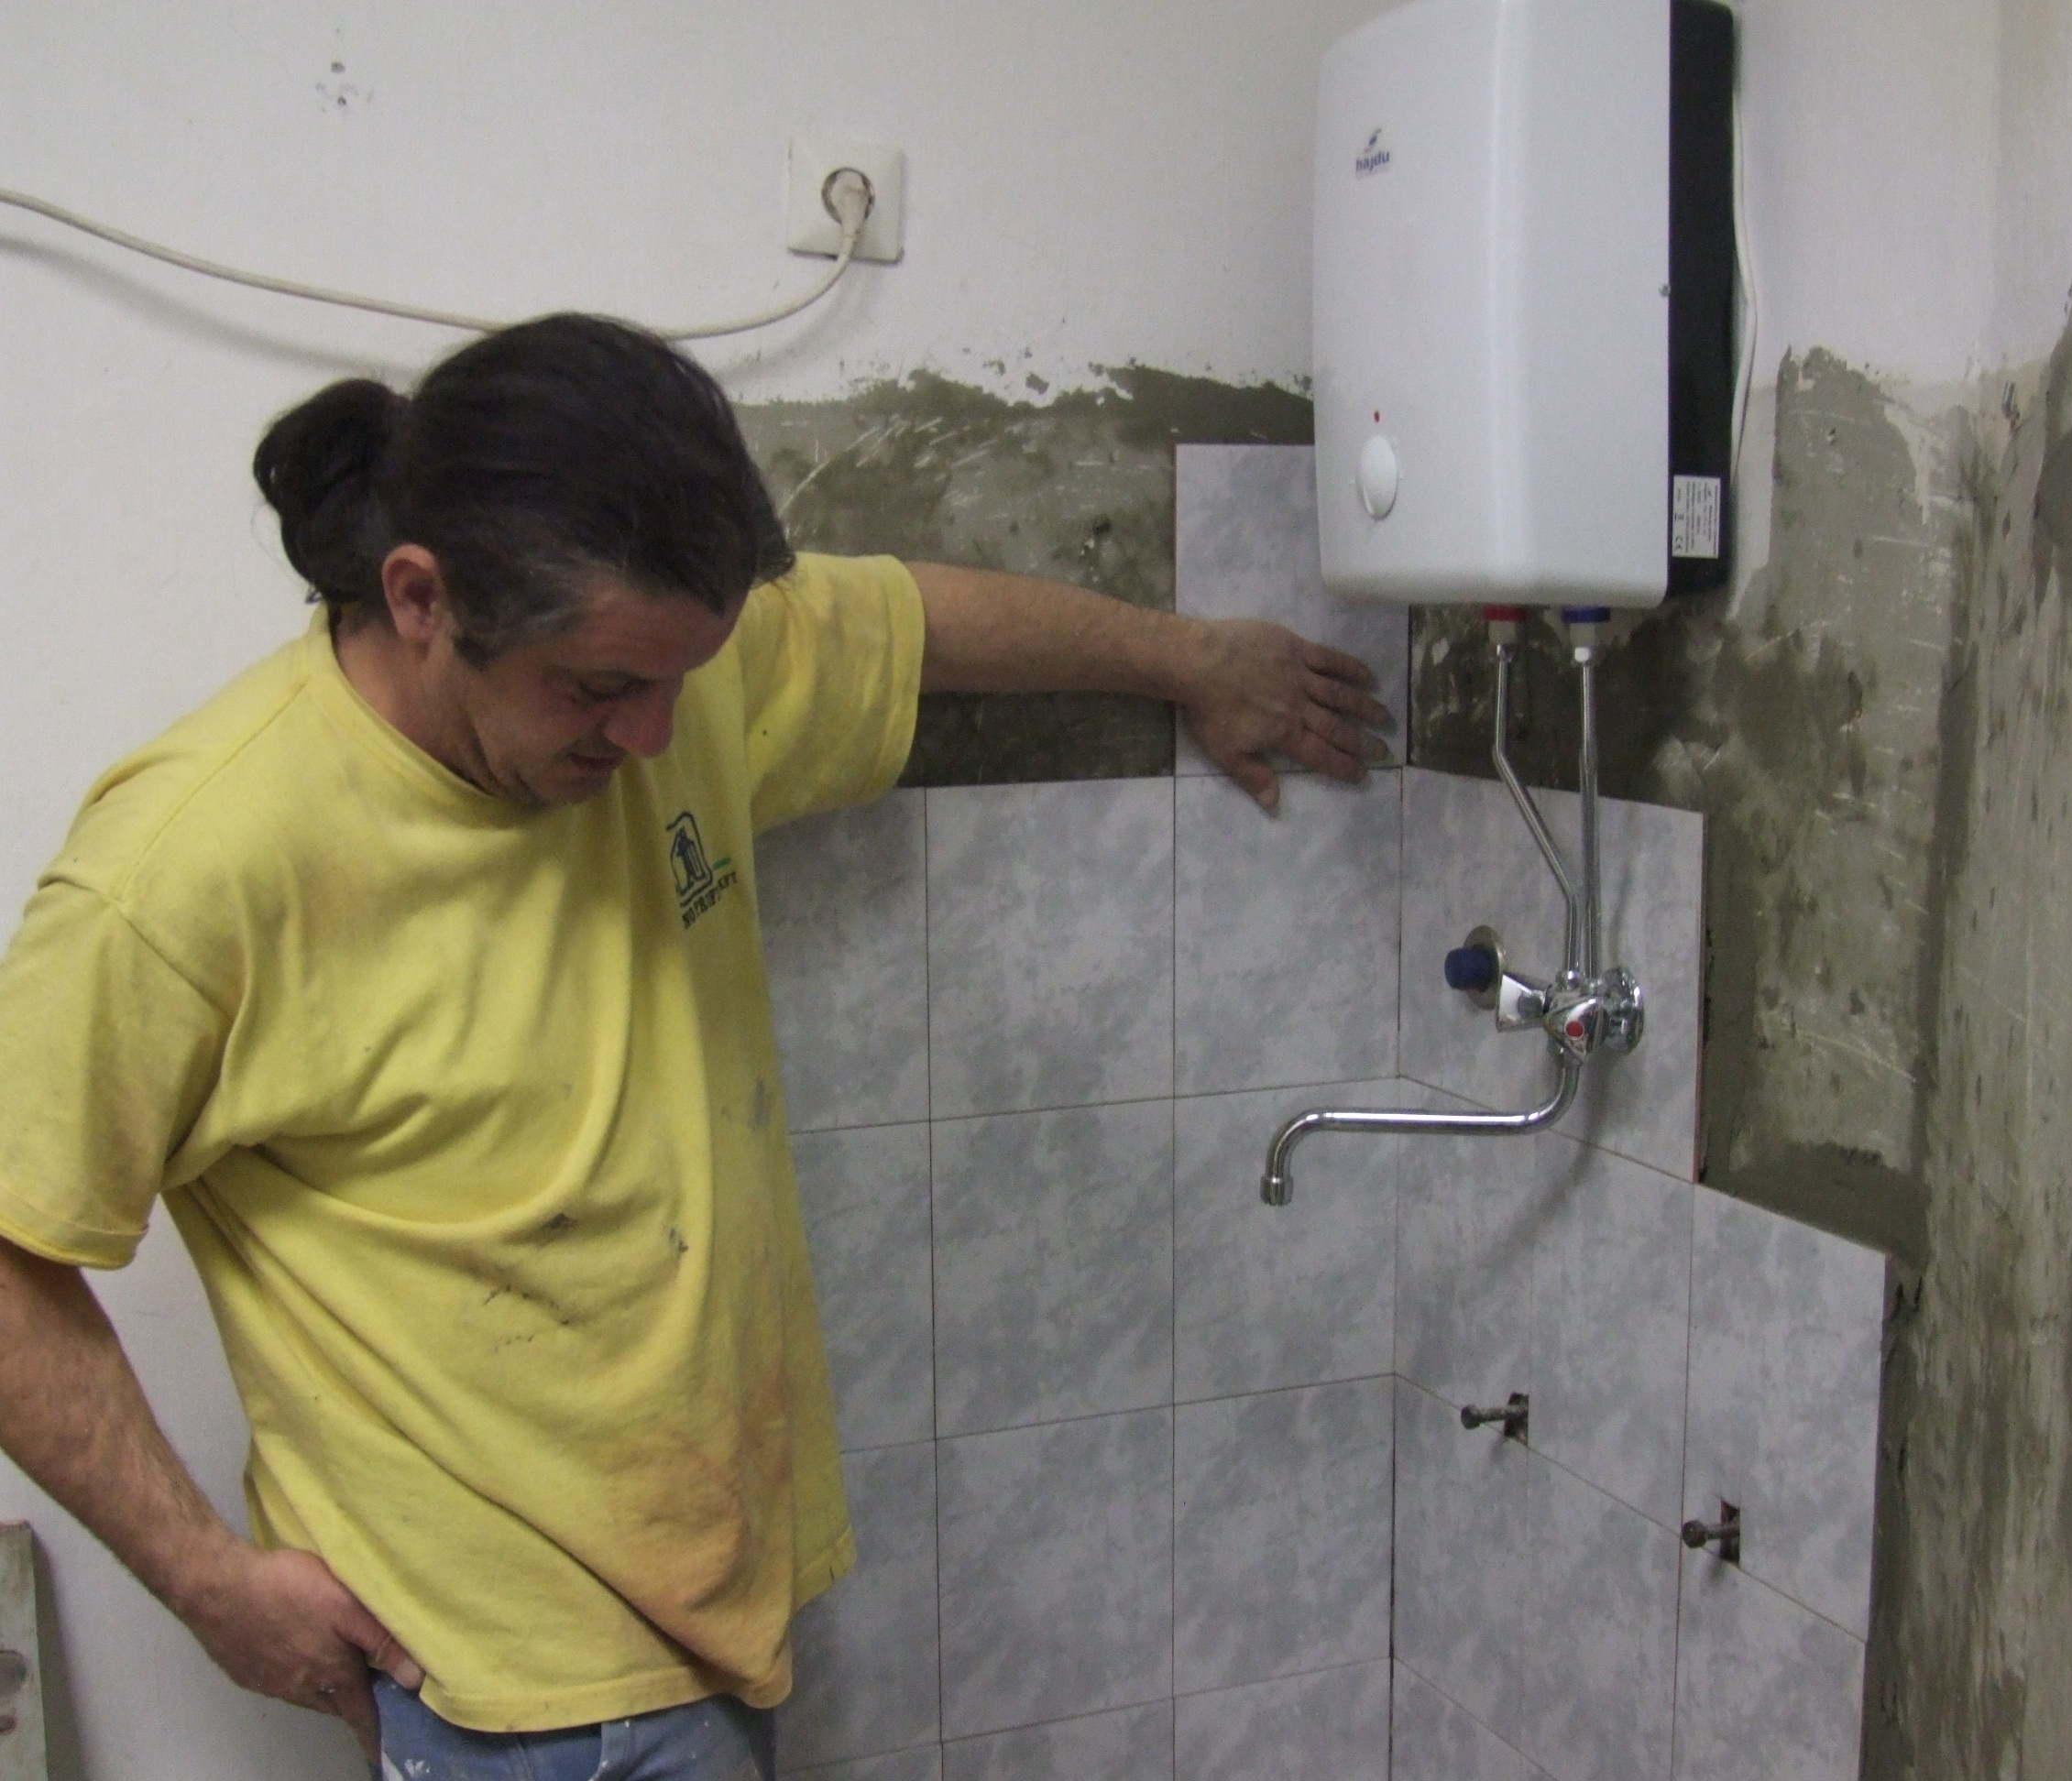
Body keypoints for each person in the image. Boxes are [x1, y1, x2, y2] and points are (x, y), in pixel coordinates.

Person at [0, 313, 1389, 1778]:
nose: (659, 736)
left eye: (685, 677)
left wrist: (1192, 659)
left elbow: (913, 621)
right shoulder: (190, 866)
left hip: (714, 1621)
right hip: (494, 1690)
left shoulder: (658, 668)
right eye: (600, 688)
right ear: (420, 598)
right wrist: (208, 1585)